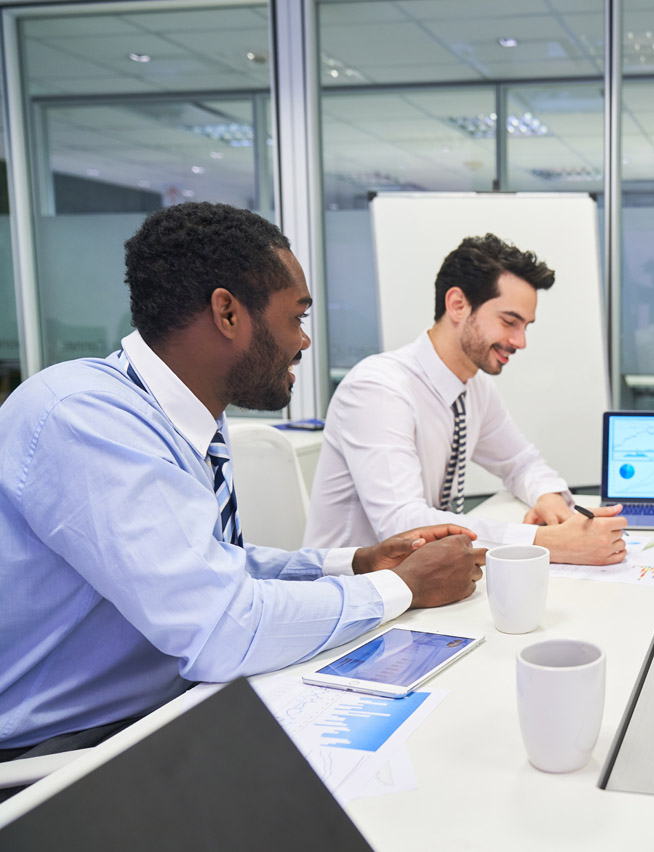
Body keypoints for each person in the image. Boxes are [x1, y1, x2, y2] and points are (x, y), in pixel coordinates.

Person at [0, 203, 485, 768]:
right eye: (296, 318)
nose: (303, 342)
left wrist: (354, 564)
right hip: (63, 751)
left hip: (167, 709)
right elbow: (220, 629)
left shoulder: (183, 415)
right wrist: (402, 589)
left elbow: (202, 567)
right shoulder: (83, 419)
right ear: (228, 313)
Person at [305, 234, 627, 564]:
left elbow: (521, 462)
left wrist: (550, 498)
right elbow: (401, 525)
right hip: (348, 590)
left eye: (526, 326)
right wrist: (546, 542)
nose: (520, 341)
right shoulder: (378, 388)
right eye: (509, 321)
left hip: (418, 579)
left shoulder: (473, 387)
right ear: (458, 304)